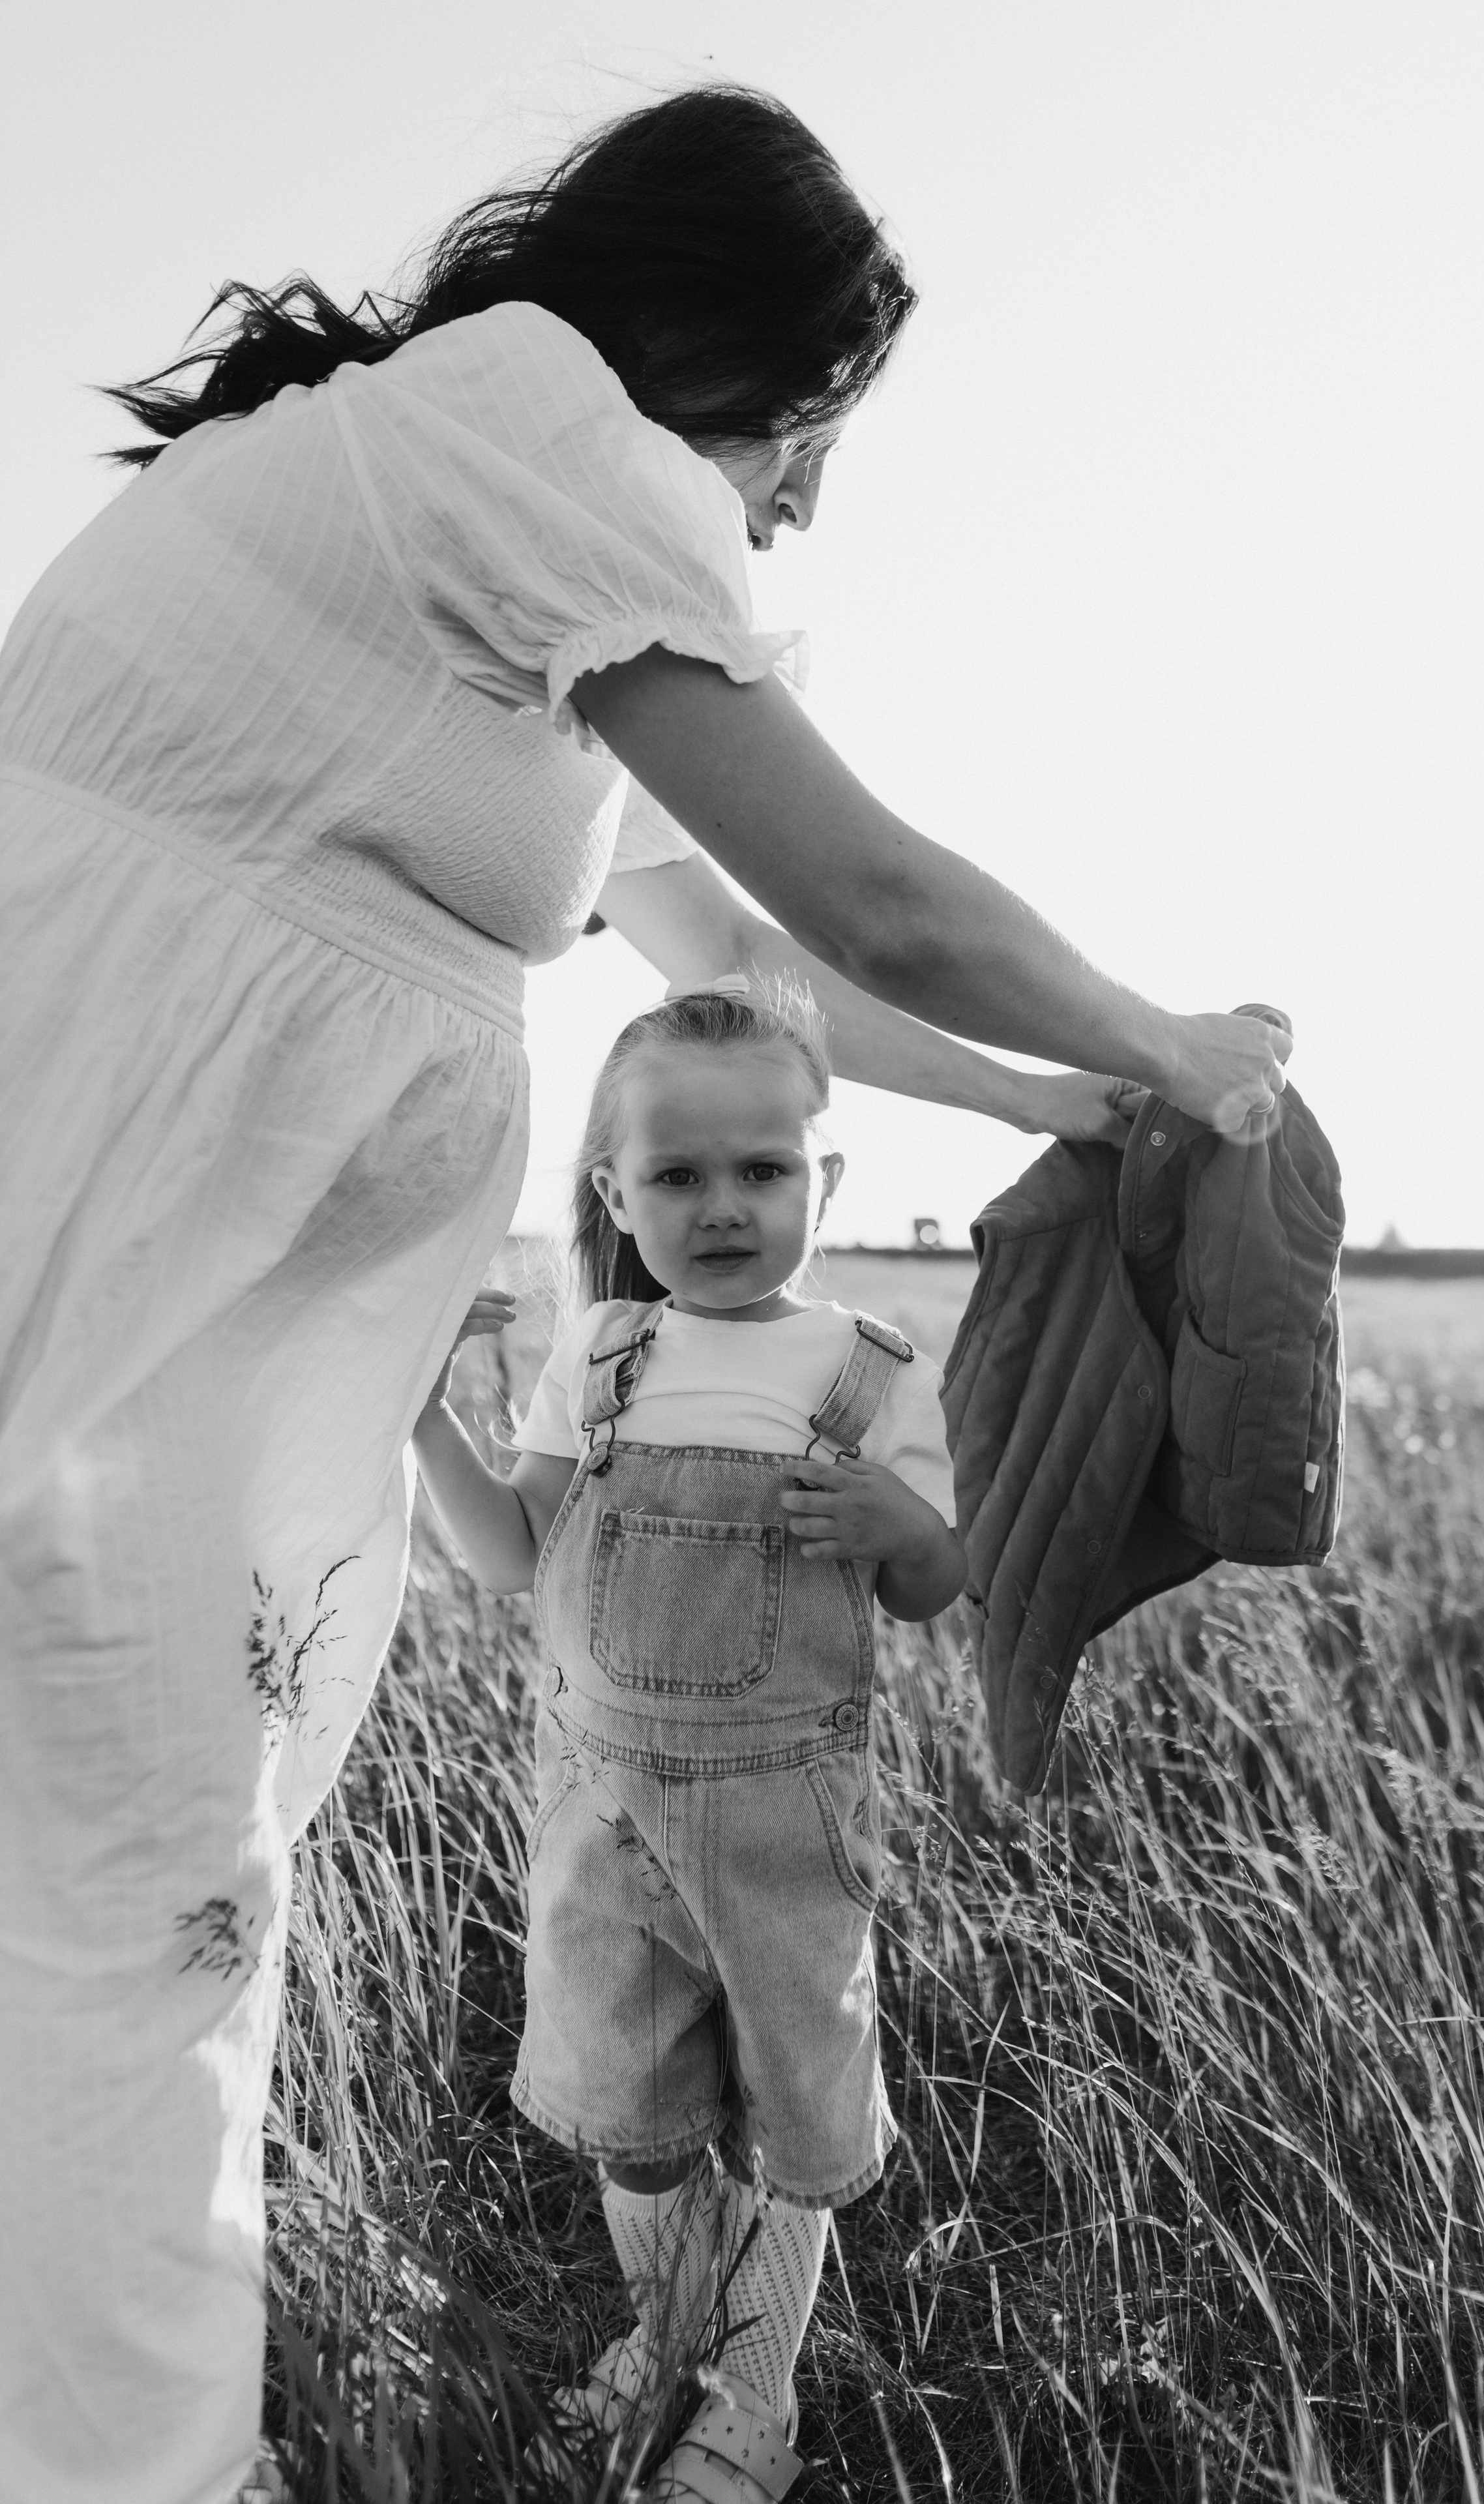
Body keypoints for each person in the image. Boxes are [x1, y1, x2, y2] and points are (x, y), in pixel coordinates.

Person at [0, 80, 1290, 2504]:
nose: (796, 505)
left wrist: (1064, 1111)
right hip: (121, 1224)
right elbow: (881, 891)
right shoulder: (532, 422)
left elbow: (771, 959)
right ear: (717, 346)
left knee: (112, 1875)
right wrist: (1175, 1049)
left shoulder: (448, 531)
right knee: (124, 1899)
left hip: (152, 1231)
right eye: (809, 431)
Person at [413, 981, 966, 2502]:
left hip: (787, 1823)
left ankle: (753, 2403)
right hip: (599, 1823)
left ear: (822, 1181)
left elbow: (930, 1588)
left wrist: (897, 1522)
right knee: (638, 2127)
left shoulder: (869, 1370)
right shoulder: (598, 1355)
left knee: (789, 2126)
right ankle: (662, 2339)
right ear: (612, 1193)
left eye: (761, 1171)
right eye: (676, 1176)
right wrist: (416, 1410)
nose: (722, 1207)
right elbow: (513, 1554)